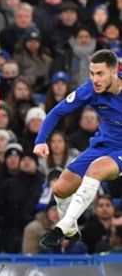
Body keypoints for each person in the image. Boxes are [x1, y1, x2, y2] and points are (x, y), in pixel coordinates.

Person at [36, 50, 122, 250]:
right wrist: (40, 140)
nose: (94, 79)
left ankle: (62, 227)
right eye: (91, 73)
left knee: (96, 169)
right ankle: (72, 229)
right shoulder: (91, 89)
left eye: (99, 74)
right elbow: (57, 111)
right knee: (60, 189)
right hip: (102, 145)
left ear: (114, 72)